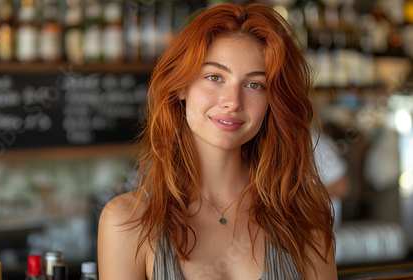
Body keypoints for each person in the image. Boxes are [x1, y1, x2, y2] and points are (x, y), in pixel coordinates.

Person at [98, 3, 337, 280]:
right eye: (214, 77)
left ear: (273, 102)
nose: (232, 102)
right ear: (181, 86)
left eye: (254, 85)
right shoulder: (127, 221)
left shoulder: (304, 219)